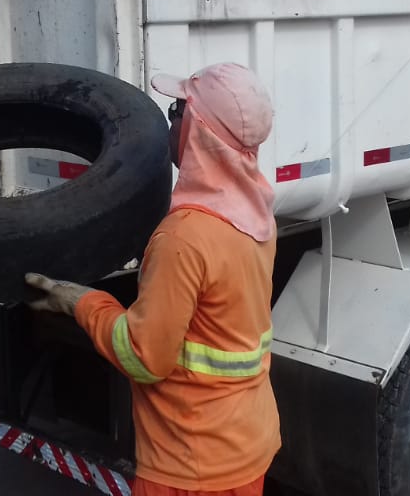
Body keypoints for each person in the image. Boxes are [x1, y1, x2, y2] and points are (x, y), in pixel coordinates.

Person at [26, 62, 282, 496]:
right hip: (246, 447)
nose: (170, 119)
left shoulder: (184, 236)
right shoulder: (256, 214)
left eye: (176, 111)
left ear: (198, 131)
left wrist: (82, 303)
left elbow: (144, 358)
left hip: (189, 463)